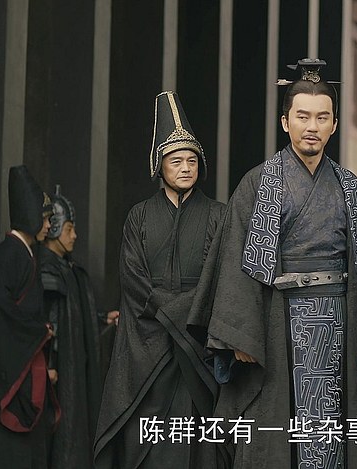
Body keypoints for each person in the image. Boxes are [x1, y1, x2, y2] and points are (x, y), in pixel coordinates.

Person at [190, 58, 357, 469]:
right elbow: (235, 258)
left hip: (336, 323)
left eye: (322, 117)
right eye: (302, 116)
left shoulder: (350, 188)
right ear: (285, 122)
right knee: (274, 436)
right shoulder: (259, 183)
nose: (312, 126)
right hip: (277, 322)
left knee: (329, 435)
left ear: (334, 125)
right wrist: (241, 336)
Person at [94, 91, 226, 469]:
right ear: (159, 166)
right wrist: (175, 313)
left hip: (198, 348)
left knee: (200, 446)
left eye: (191, 160)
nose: (185, 168)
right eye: (176, 160)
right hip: (149, 349)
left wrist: (189, 316)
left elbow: (220, 280)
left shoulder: (218, 215)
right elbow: (133, 280)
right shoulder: (139, 216)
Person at [0, 165, 59, 469]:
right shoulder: (8, 253)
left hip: (28, 358)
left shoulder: (26, 252)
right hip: (12, 363)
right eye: (44, 218)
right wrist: (38, 331)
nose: (48, 225)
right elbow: (2, 310)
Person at [40, 186, 117, 468]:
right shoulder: (46, 271)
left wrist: (100, 319)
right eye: (69, 229)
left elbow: (73, 316)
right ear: (54, 227)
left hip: (76, 371)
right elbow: (50, 323)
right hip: (59, 375)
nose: (74, 236)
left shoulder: (69, 269)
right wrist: (47, 366)